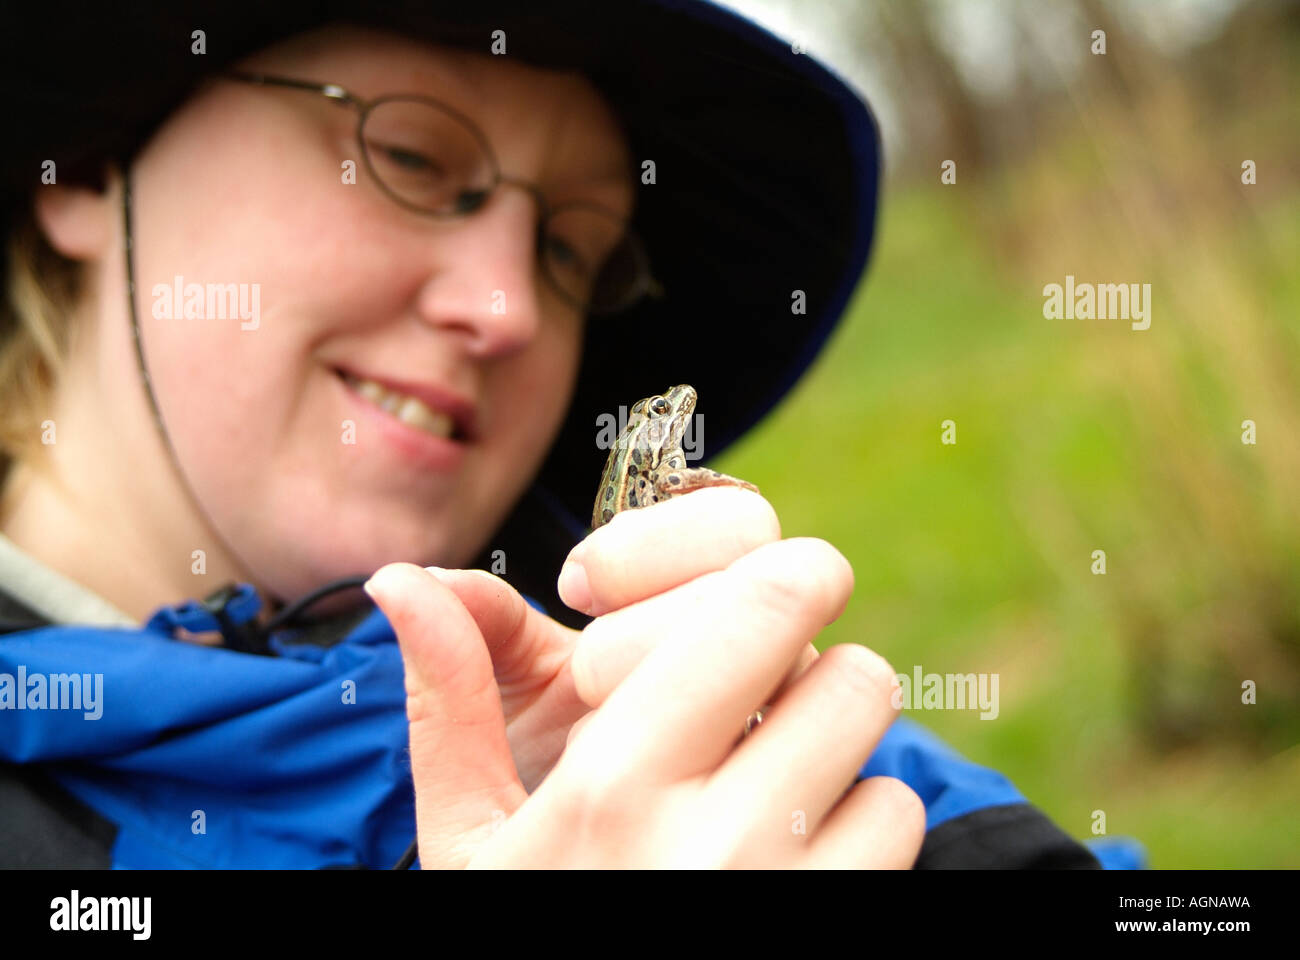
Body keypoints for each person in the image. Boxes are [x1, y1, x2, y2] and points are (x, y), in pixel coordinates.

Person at [0, 0, 1139, 869]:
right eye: (408, 160)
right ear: (101, 163)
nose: (505, 310)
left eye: (568, 251)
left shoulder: (673, 707)